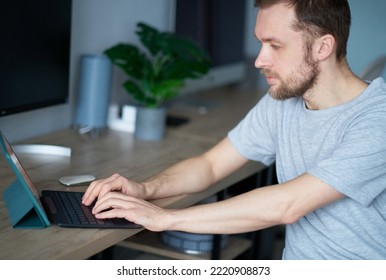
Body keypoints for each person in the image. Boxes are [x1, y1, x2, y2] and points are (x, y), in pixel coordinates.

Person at [82, 0, 386, 259]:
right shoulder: (283, 101)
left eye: (274, 45)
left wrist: (165, 218)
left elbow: (287, 205)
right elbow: (210, 166)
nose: (259, 60)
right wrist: (145, 189)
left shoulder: (377, 119)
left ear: (323, 47)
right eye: (260, 43)